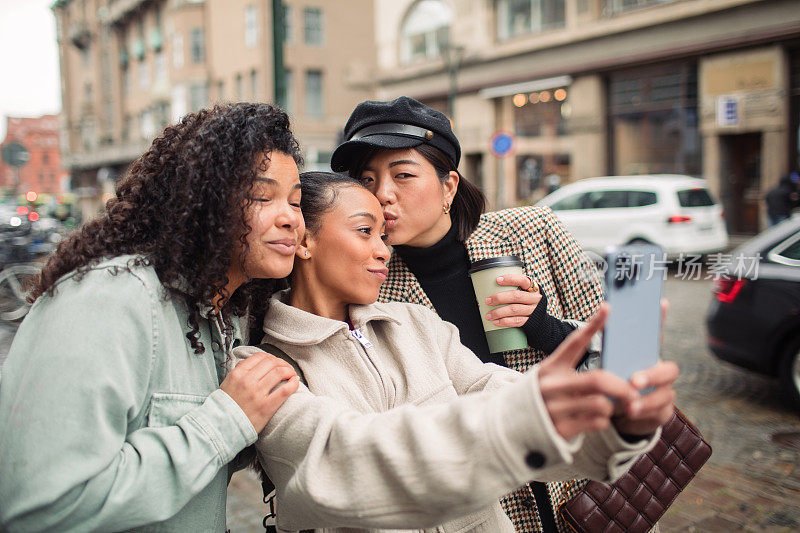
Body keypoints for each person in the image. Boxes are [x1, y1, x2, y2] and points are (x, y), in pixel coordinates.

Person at [234, 171, 679, 533]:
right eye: (365, 231)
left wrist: (611, 417)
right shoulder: (262, 370)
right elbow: (349, 460)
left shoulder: (416, 324)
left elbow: (496, 388)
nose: (383, 250)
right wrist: (527, 418)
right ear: (305, 241)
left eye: (384, 236)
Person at [328, 96, 627, 531]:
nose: (383, 195)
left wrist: (544, 326)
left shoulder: (533, 232)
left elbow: (624, 352)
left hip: (588, 492)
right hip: (491, 510)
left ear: (448, 186)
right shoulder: (373, 292)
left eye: (403, 175)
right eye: (368, 179)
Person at [0, 103, 302, 532]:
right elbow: (41, 506)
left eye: (296, 200)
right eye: (261, 195)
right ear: (203, 199)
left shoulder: (218, 310)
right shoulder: (108, 300)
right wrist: (226, 420)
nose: (291, 217)